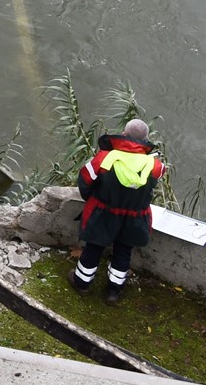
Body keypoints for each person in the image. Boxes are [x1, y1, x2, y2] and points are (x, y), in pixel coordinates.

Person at [70, 118, 165, 303]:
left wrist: (93, 198)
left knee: (94, 246)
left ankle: (81, 283)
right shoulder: (155, 166)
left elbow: (85, 180)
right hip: (135, 218)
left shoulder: (105, 158)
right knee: (124, 251)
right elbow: (152, 186)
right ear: (145, 139)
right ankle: (113, 292)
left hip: (103, 212)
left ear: (124, 134)